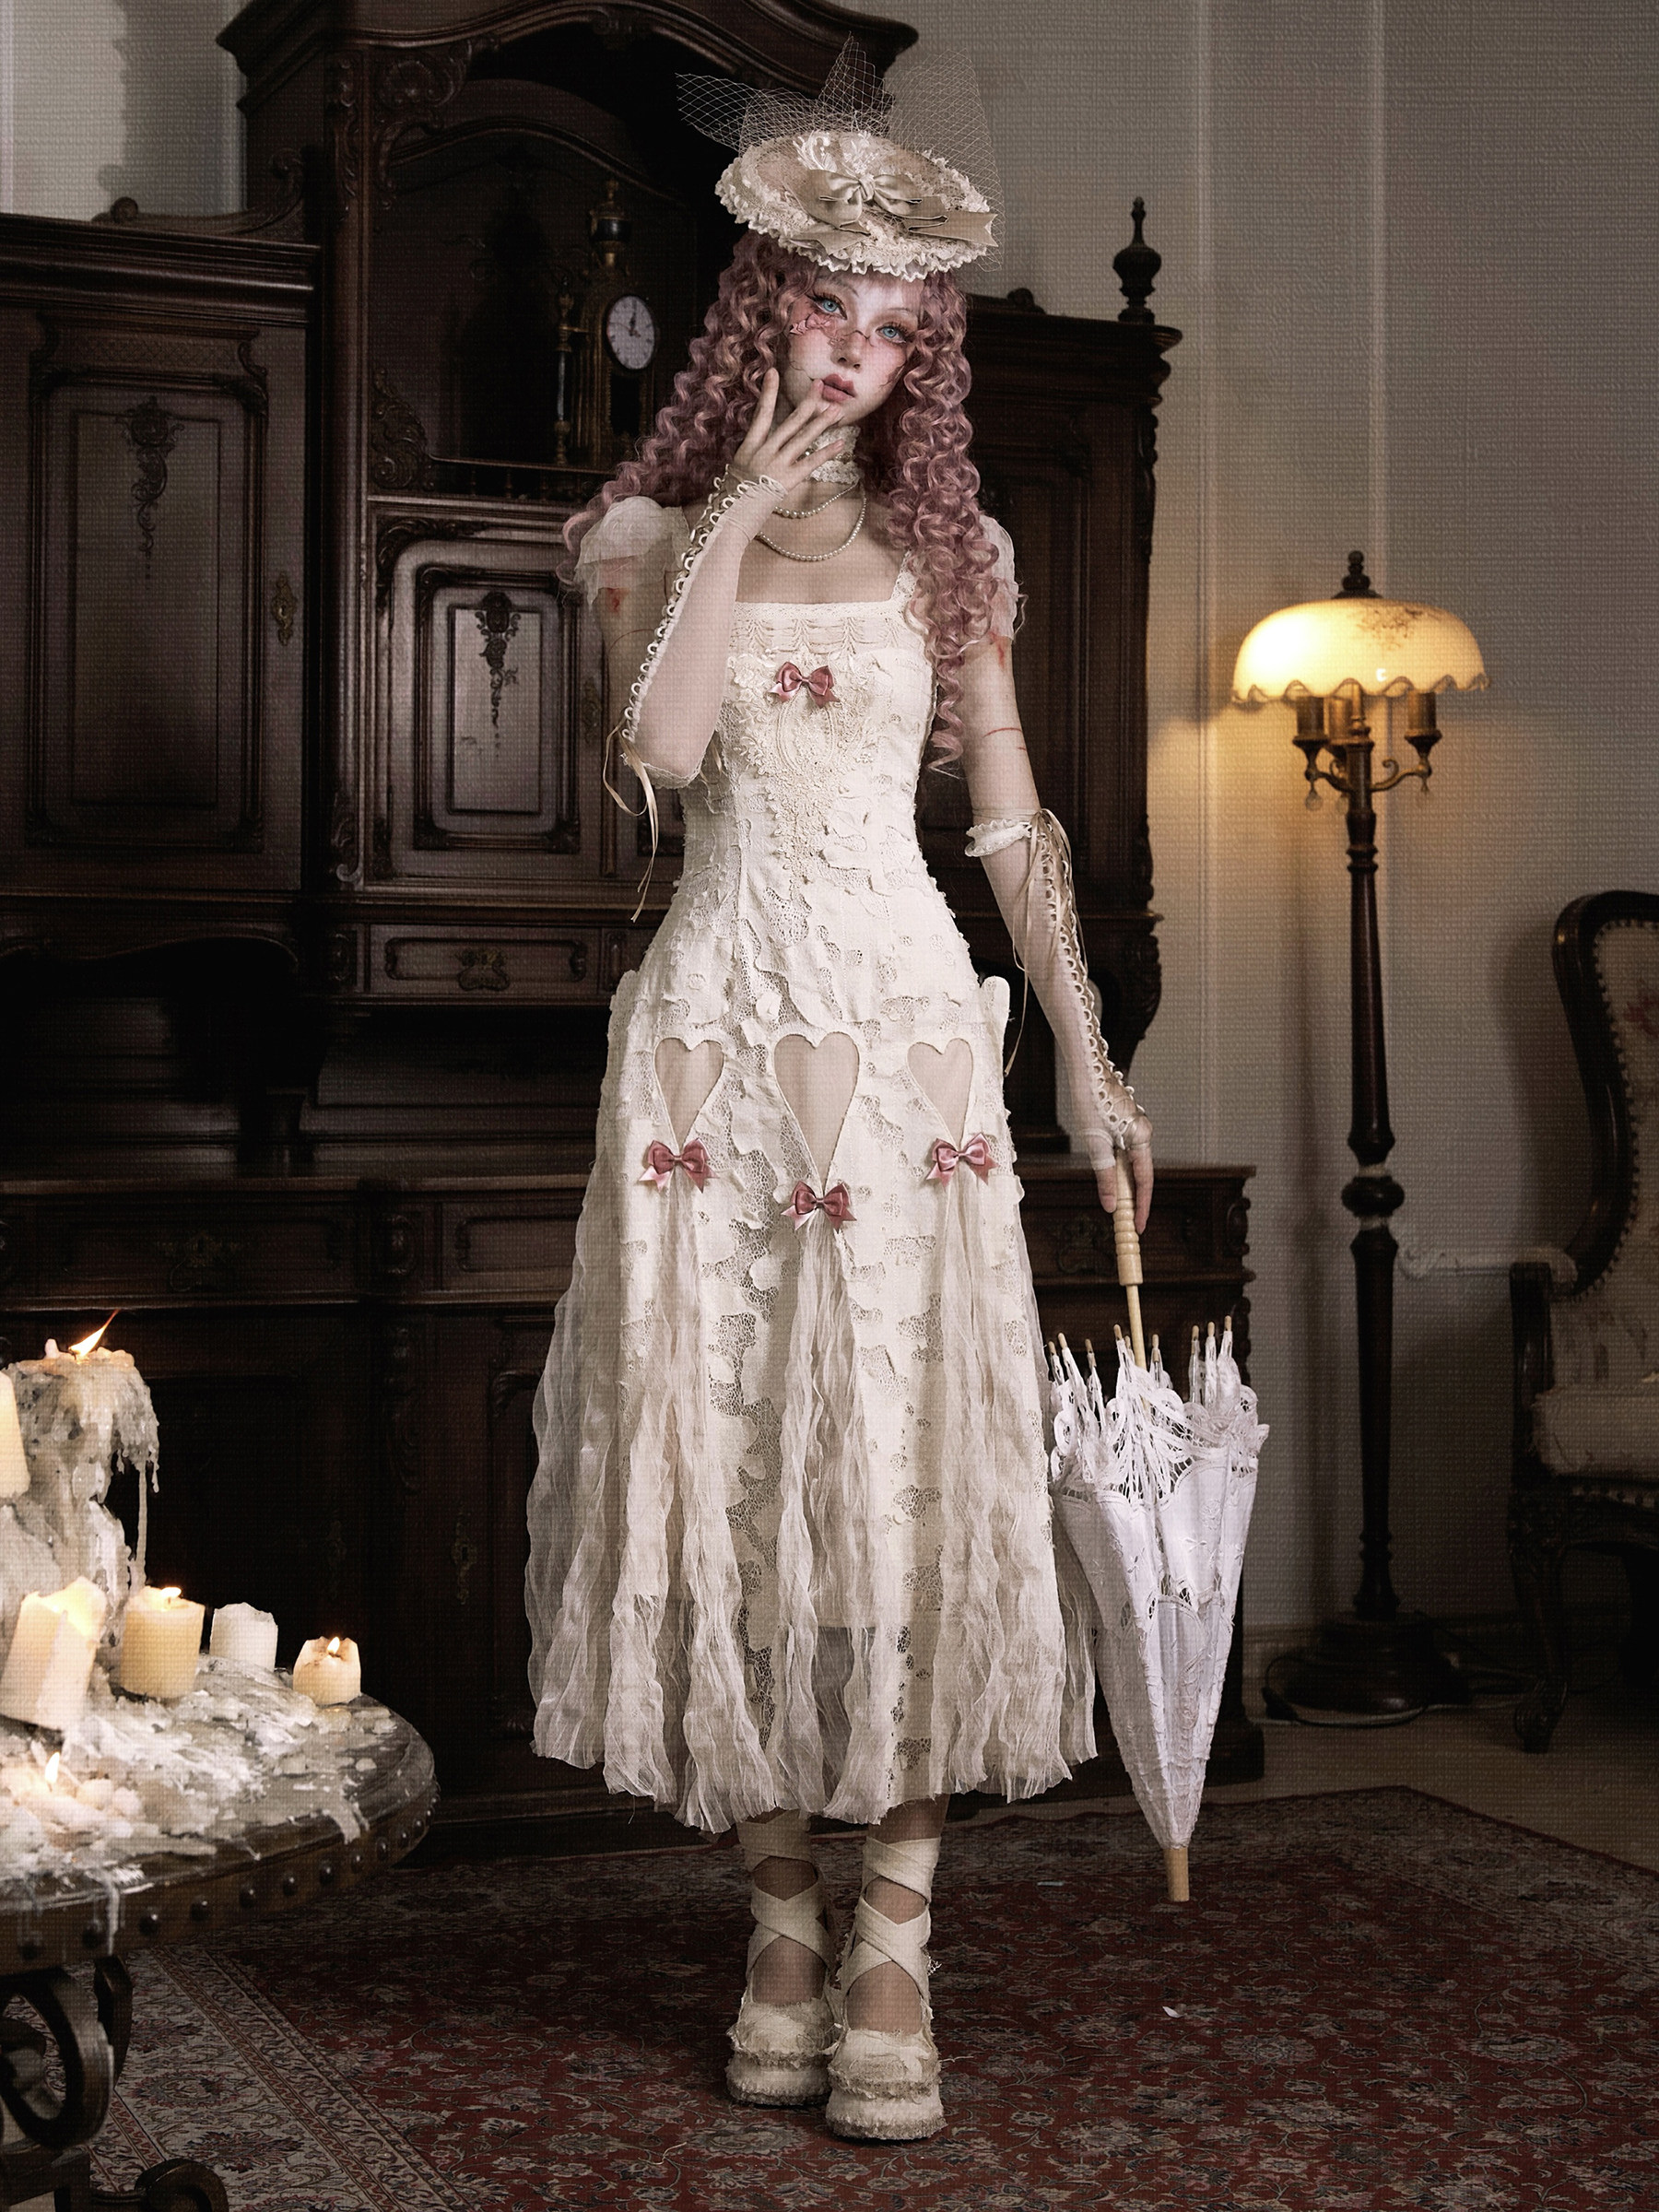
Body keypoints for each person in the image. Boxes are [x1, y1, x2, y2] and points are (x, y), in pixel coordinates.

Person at [524, 42, 1153, 2143]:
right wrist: (727, 510)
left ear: (922, 360)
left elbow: (1008, 831)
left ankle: (897, 1928)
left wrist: (1089, 1061)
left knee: (898, 1481)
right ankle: (778, 1917)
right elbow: (664, 757)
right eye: (826, 311)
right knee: (733, 1467)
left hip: (903, 1051)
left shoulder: (957, 556)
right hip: (714, 1041)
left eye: (895, 332)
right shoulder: (640, 537)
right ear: (764, 309)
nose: (854, 356)